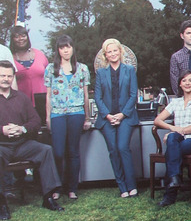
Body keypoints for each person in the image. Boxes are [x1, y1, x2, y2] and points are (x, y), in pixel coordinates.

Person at [0, 60, 64, 218]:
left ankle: (48, 197)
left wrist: (22, 129)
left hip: (22, 144)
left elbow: (35, 121)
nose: (5, 79)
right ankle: (2, 205)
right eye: (2, 75)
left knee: (46, 151)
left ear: (13, 77)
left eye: (9, 76)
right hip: (2, 146)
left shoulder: (21, 98)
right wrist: (3, 130)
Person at [44, 35, 91, 201]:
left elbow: (85, 95)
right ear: (58, 50)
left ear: (73, 48)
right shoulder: (51, 69)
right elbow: (48, 96)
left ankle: (72, 188)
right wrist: (48, 118)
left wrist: (86, 117)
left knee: (73, 151)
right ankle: (57, 186)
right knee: (57, 151)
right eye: (62, 47)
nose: (66, 50)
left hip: (76, 113)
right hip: (57, 113)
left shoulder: (82, 68)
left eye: (68, 47)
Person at [153, 70, 191, 207]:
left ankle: (170, 194)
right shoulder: (175, 102)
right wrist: (173, 129)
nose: (187, 83)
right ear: (180, 84)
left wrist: (180, 130)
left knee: (171, 149)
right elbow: (157, 120)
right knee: (173, 139)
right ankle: (175, 179)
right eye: (184, 80)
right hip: (178, 138)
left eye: (190, 80)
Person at [94, 38, 139, 198]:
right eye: (109, 51)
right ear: (105, 55)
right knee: (113, 150)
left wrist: (121, 115)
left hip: (125, 117)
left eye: (115, 50)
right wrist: (107, 115)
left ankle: (132, 185)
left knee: (122, 148)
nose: (112, 54)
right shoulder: (101, 73)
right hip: (107, 118)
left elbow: (134, 94)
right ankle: (122, 188)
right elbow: (98, 98)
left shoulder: (129, 70)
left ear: (120, 52)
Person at [9, 26, 48, 103]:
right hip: (20, 101)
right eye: (17, 37)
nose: (21, 39)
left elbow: (50, 76)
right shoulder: (9, 57)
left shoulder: (40, 54)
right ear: (12, 39)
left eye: (23, 36)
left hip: (43, 101)